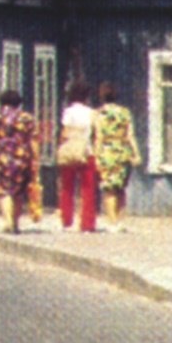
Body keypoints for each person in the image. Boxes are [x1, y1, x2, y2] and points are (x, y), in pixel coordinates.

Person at [0, 88, 37, 235]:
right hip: (20, 156)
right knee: (18, 191)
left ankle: (7, 221)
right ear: (19, 103)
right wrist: (35, 158)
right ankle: (16, 224)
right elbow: (33, 140)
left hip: (0, 156)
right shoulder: (26, 118)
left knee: (2, 190)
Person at [92, 81, 142, 232]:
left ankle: (112, 222)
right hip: (122, 151)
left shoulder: (99, 113)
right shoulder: (125, 112)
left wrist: (96, 155)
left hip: (107, 151)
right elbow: (130, 135)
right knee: (121, 188)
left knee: (109, 189)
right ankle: (120, 220)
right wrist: (136, 153)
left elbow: (99, 136)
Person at [58, 80, 98, 234]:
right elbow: (95, 134)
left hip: (70, 150)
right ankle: (87, 224)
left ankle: (67, 221)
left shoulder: (68, 112)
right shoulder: (92, 113)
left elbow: (65, 132)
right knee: (88, 189)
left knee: (67, 187)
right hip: (87, 151)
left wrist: (61, 146)